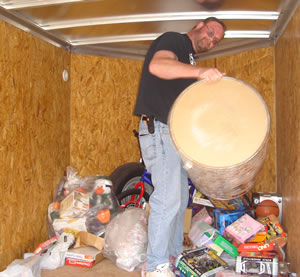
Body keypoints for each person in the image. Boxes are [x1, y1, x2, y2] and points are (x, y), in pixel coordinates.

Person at [134, 17, 226, 277]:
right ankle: (155, 266)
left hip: (175, 135)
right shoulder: (174, 40)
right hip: (160, 130)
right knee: (169, 198)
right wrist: (200, 72)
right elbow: (158, 65)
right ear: (198, 25)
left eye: (215, 40)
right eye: (210, 32)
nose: (210, 40)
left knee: (180, 198)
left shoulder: (188, 61)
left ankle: (171, 256)